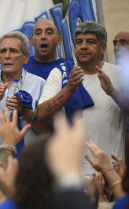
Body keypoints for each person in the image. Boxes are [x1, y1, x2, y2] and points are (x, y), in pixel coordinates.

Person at [37, 21, 129, 176]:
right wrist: (69, 89)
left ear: (103, 48)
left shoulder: (120, 74)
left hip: (112, 174)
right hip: (72, 176)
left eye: (90, 42)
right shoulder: (61, 74)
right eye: (79, 42)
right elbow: (41, 114)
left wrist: (112, 92)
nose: (83, 46)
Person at [0, 31, 50, 161]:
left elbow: (49, 133)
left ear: (26, 57)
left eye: (13, 51)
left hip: (31, 168)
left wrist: (25, 111)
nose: (7, 56)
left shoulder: (41, 85)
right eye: (2, 51)